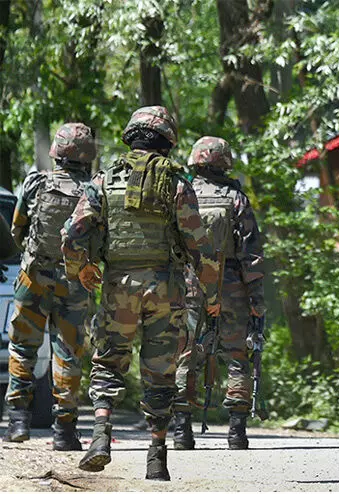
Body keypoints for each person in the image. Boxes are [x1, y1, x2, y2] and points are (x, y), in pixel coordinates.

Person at [61, 106, 219, 480]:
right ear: (168, 140)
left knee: (108, 362)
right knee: (160, 372)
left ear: (131, 136)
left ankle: (100, 437)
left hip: (118, 286)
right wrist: (212, 297)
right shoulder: (179, 185)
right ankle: (156, 457)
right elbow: (200, 246)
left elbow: (72, 234)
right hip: (166, 288)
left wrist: (81, 268)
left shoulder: (102, 181)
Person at [3, 123, 94, 450]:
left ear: (56, 152)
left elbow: (17, 230)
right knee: (68, 353)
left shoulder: (35, 183)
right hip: (74, 281)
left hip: (33, 277)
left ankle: (17, 423)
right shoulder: (94, 190)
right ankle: (64, 432)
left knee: (23, 347)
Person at [171, 136, 265, 451]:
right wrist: (257, 300)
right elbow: (251, 254)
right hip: (232, 286)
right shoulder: (236, 199)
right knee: (238, 356)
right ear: (224, 162)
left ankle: (182, 431)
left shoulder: (181, 194)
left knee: (187, 355)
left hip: (189, 286)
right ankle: (236, 432)